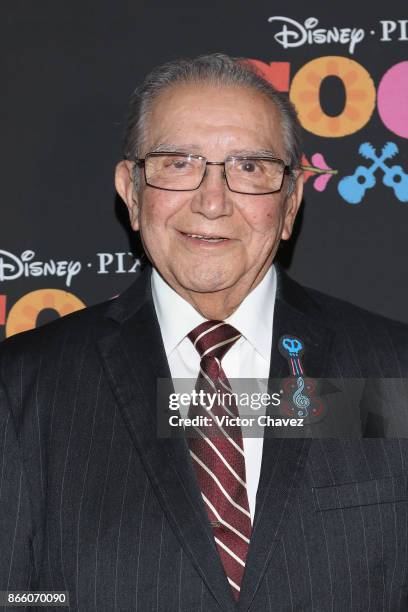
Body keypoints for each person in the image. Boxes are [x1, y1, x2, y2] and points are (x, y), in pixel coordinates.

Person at [1, 53, 408, 611]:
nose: (213, 201)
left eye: (249, 167)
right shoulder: (22, 388)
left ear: (290, 205)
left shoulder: (393, 370)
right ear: (132, 192)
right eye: (178, 164)